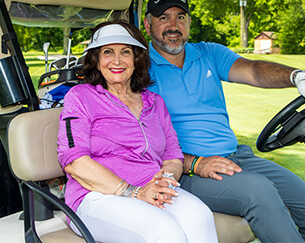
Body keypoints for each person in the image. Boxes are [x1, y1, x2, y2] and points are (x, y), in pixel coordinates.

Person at [143, 0, 305, 242]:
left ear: (189, 22)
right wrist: (196, 163)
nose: (173, 25)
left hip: (236, 157)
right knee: (259, 191)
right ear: (148, 24)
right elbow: (141, 141)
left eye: (180, 17)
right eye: (164, 17)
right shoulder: (138, 68)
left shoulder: (209, 53)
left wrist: (297, 77)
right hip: (185, 171)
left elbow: (253, 70)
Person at [57, 21, 218, 242]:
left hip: (150, 187)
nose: (116, 60)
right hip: (95, 196)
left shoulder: (155, 102)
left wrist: (165, 181)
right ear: (96, 60)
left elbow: (172, 156)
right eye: (107, 52)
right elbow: (75, 162)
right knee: (163, 230)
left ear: (136, 59)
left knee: (200, 216)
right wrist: (132, 192)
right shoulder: (80, 97)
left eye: (125, 52)